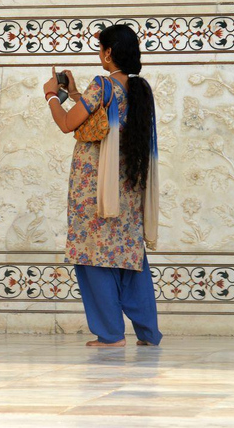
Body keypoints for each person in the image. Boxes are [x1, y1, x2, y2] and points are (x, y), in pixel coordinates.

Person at [43, 24, 162, 347]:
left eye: (101, 49)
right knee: (128, 256)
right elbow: (98, 118)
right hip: (127, 186)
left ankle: (110, 334)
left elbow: (69, 124)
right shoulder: (140, 89)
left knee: (92, 255)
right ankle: (149, 333)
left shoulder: (103, 85)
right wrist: (78, 92)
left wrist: (52, 95)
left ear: (108, 53)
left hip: (94, 187)